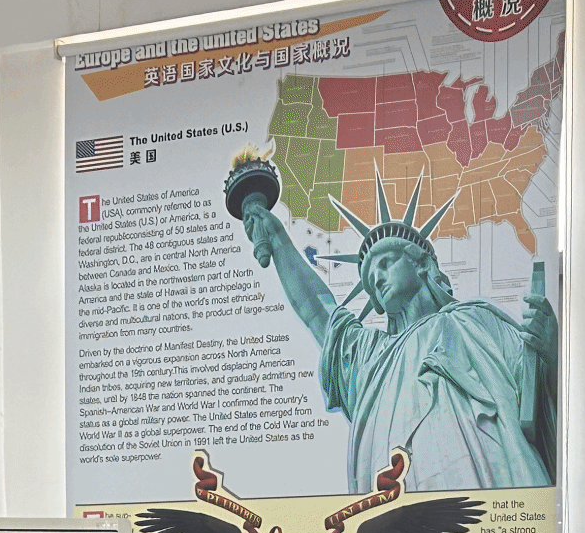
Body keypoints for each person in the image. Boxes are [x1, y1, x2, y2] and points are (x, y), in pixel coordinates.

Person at [237, 183, 556, 492]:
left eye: (386, 264)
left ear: (422, 264)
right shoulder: (370, 358)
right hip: (405, 500)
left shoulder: (475, 320)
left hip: (492, 476)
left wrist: (551, 351)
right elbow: (316, 311)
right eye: (370, 277)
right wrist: (277, 239)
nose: (377, 279)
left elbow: (536, 397)